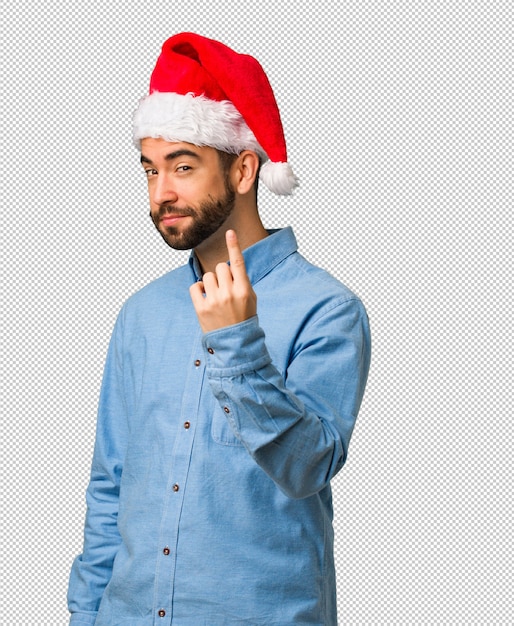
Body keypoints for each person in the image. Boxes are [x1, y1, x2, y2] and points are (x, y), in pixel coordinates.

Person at [68, 32, 371, 626]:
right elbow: (111, 486)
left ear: (243, 171)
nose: (161, 194)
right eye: (150, 170)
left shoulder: (327, 309)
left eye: (183, 167)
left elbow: (309, 466)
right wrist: (86, 614)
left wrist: (238, 346)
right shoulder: (142, 314)